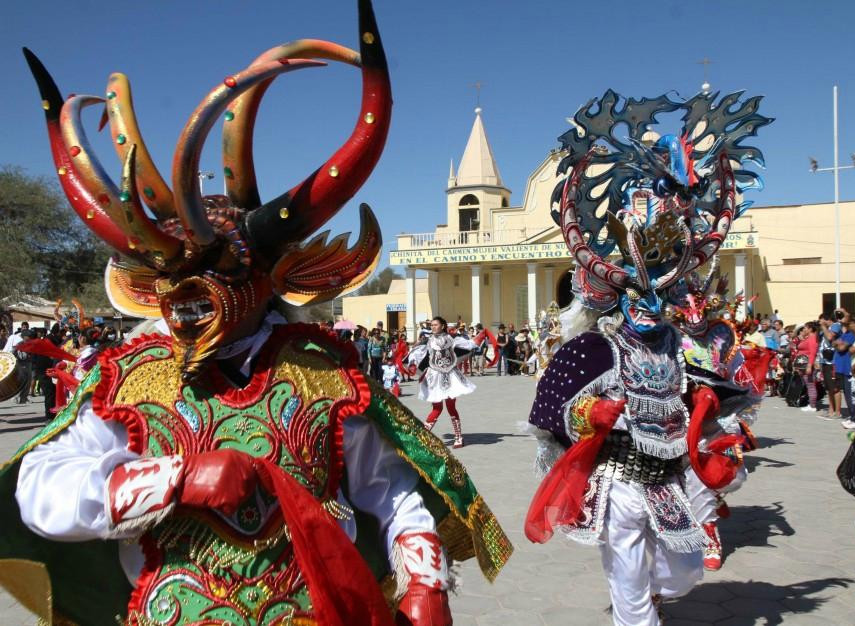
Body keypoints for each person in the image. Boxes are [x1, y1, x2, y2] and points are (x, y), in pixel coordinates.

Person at [5, 11, 512, 624]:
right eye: (171, 280)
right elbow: (42, 490)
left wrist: (424, 578)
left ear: (268, 279)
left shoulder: (323, 373)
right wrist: (172, 478)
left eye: (218, 275)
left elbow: (391, 491)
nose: (190, 298)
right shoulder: (128, 378)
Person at [526, 85, 771, 625]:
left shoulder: (680, 348)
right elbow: (551, 408)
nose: (652, 306)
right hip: (617, 482)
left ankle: (643, 603)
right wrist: (590, 414)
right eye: (642, 295)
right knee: (631, 590)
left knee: (683, 572)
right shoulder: (598, 347)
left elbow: (709, 400)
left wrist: (717, 431)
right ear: (621, 295)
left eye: (664, 296)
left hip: (668, 480)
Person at [407, 316, 476, 448]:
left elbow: (468, 346)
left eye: (435, 325)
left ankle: (458, 437)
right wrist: (413, 364)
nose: (433, 327)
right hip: (434, 377)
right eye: (431, 325)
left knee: (451, 407)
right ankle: (423, 437)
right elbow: (418, 354)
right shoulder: (427, 340)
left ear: (443, 326)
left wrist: (477, 340)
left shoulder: (452, 338)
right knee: (437, 408)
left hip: (451, 376)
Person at [794, 323, 819, 412]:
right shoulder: (808, 337)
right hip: (803, 364)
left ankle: (812, 405)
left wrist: (809, 365)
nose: (804, 329)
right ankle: (811, 403)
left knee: (810, 384)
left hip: (807, 364)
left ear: (810, 328)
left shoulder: (812, 338)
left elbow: (813, 352)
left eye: (805, 328)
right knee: (808, 385)